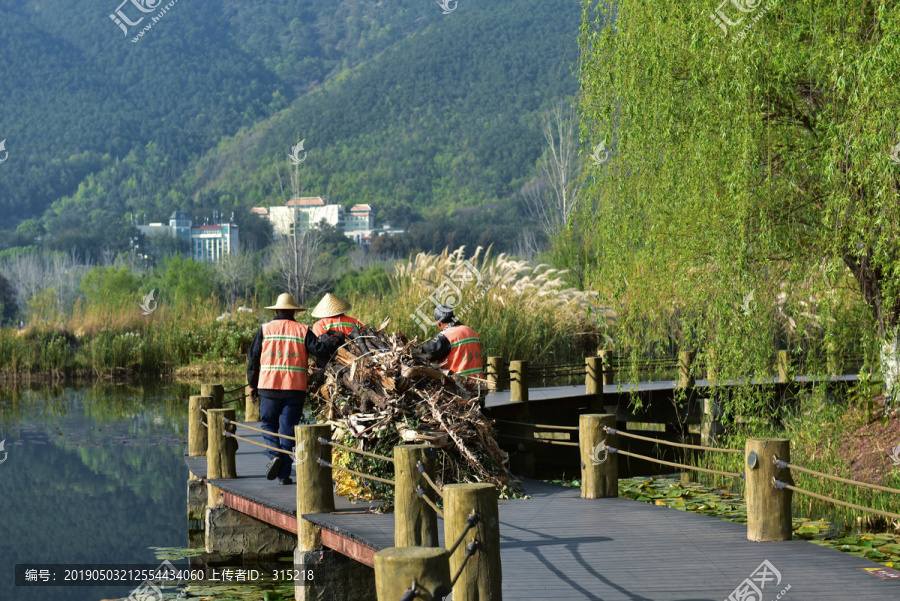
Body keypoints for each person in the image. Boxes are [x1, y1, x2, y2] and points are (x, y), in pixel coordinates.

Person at [247, 293, 343, 485]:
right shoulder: (302, 330)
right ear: (293, 311)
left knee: (268, 425)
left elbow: (253, 359)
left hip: (268, 387)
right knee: (288, 430)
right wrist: (336, 338)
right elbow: (321, 350)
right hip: (295, 389)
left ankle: (275, 455)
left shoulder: (264, 329)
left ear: (275, 310)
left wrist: (252, 385)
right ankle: (284, 475)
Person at [421, 304, 484, 387]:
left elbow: (425, 354)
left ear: (439, 323)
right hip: (479, 386)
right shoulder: (472, 332)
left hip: (459, 387)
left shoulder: (445, 336)